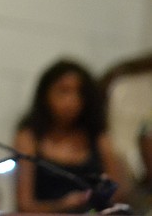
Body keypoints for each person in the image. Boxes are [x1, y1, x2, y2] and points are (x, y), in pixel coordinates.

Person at [13, 58, 130, 213]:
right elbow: (23, 205)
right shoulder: (29, 138)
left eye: (79, 93)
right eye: (63, 91)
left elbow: (119, 193)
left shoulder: (98, 138)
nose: (71, 101)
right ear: (45, 94)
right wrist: (63, 205)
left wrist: (97, 197)